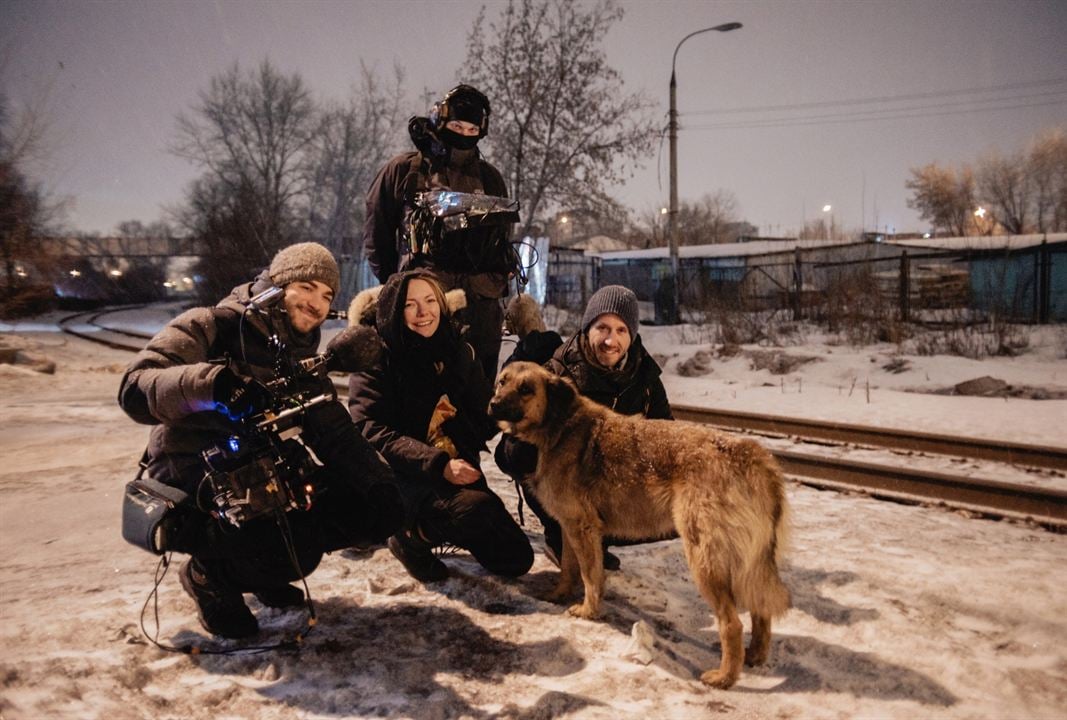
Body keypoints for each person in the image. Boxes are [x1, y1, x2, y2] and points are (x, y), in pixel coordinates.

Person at [118, 242, 404, 639]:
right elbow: (135, 388)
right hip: (192, 472)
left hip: (262, 474)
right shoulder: (211, 325)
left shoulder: (297, 357)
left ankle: (262, 564)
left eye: (327, 295)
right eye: (306, 286)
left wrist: (381, 486)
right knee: (292, 552)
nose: (317, 303)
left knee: (367, 503)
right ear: (276, 284)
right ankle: (210, 576)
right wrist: (213, 386)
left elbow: (334, 432)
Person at [347, 269, 533, 583]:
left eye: (430, 300)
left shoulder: (455, 348)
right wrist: (439, 465)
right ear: (393, 309)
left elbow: (483, 410)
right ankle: (410, 536)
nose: (424, 312)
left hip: (456, 466)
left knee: (515, 559)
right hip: (404, 476)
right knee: (474, 511)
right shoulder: (375, 356)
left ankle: (448, 520)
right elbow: (369, 429)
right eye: (410, 304)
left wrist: (519, 419)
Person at [494, 285, 674, 569]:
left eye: (621, 330)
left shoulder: (646, 379)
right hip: (565, 483)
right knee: (523, 457)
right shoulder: (556, 373)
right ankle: (559, 533)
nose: (610, 340)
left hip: (613, 484)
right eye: (602, 328)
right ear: (587, 328)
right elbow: (509, 449)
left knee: (674, 513)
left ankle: (597, 539)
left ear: (632, 335)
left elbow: (666, 437)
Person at [363, 84, 517, 387]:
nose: (464, 132)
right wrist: (397, 291)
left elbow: (500, 241)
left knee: (475, 398)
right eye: (457, 124)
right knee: (419, 393)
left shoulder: (490, 178)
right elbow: (377, 235)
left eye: (472, 127)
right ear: (439, 119)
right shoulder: (405, 170)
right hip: (423, 307)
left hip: (480, 310)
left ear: (481, 130)